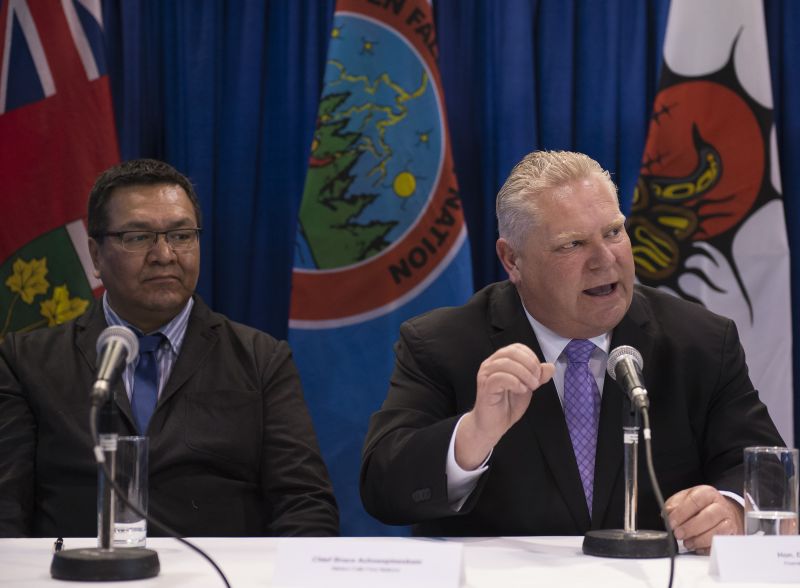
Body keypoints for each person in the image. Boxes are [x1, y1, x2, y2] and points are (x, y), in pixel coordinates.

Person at [360, 150, 784, 553]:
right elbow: (383, 489)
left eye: (614, 232)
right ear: (513, 260)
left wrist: (732, 508)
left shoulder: (701, 341)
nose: (605, 260)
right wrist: (473, 435)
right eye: (572, 244)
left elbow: (770, 474)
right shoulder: (443, 344)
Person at [0, 159, 338, 538]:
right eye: (138, 237)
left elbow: (304, 504)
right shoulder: (26, 361)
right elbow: (5, 507)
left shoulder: (261, 359)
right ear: (96, 256)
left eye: (181, 235)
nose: (164, 254)